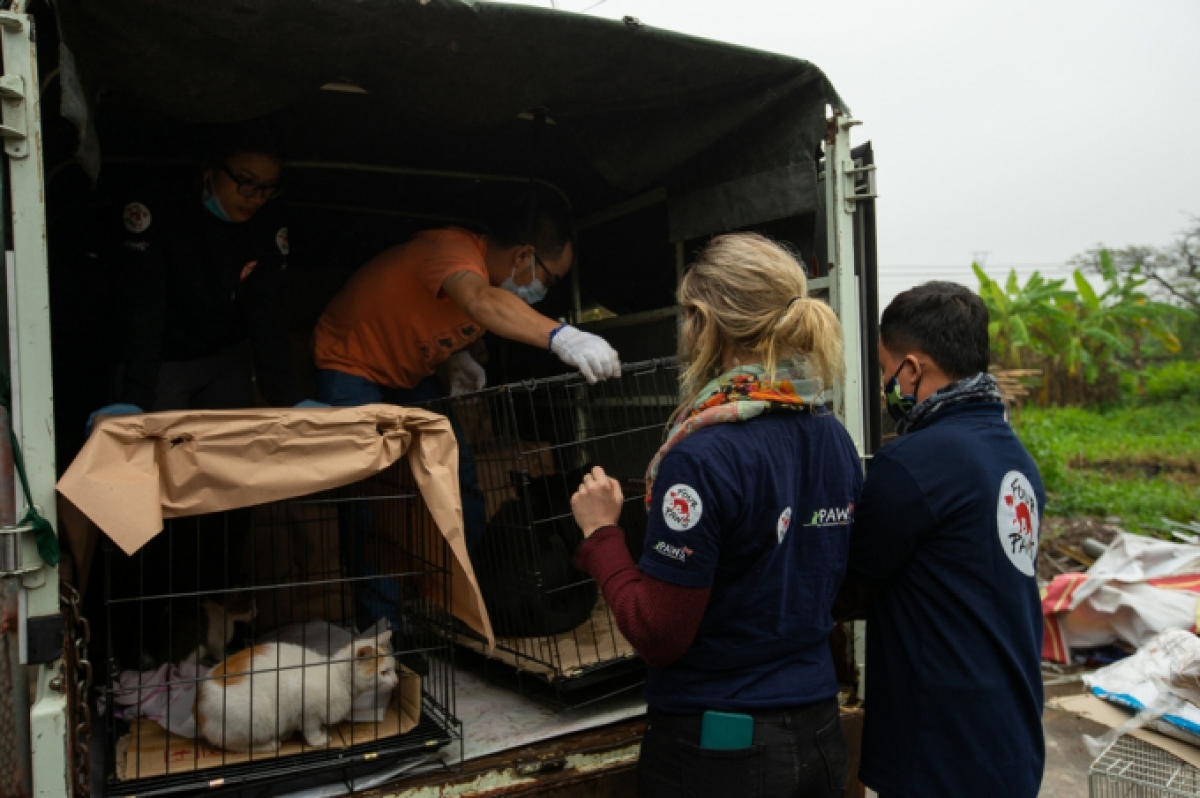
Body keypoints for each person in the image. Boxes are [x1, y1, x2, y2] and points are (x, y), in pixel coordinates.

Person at [569, 233, 861, 798]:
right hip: (820, 735)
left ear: (704, 323)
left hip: (725, 751)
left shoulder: (703, 456)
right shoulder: (833, 436)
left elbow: (660, 633)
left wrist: (601, 532)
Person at [833, 282, 1045, 797]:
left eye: (886, 371)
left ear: (912, 368)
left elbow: (847, 590)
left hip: (943, 750)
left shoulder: (912, 465)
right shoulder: (1013, 455)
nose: (886, 383)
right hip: (1011, 733)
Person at [311, 186, 620, 407]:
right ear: (524, 255)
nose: (545, 289)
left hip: (407, 376)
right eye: (549, 279)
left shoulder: (500, 289)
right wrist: (564, 337)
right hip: (350, 361)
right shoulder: (452, 250)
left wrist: (458, 356)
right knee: (360, 462)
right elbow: (478, 301)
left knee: (451, 457)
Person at [92, 125, 299, 429]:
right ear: (210, 170)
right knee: (160, 450)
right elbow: (144, 307)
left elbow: (266, 307)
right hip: (161, 358)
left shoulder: (267, 220)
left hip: (224, 355)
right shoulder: (161, 210)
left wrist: (287, 396)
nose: (255, 197)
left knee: (232, 447)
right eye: (246, 182)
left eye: (268, 187)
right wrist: (135, 395)